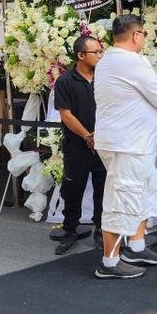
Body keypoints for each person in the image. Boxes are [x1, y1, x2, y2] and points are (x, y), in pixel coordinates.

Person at [92, 14, 157, 280]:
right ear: (136, 35)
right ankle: (110, 261)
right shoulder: (130, 62)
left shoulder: (107, 61)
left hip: (131, 142)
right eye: (145, 34)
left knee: (142, 193)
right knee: (122, 199)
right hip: (127, 144)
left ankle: (136, 246)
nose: (145, 39)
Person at [52, 34, 108, 256]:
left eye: (100, 52)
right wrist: (87, 136)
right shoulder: (65, 81)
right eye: (95, 52)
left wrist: (100, 135)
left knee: (102, 188)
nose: (100, 56)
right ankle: (70, 231)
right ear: (81, 55)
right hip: (77, 145)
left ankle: (102, 230)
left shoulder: (103, 78)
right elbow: (66, 115)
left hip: (103, 144)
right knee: (73, 189)